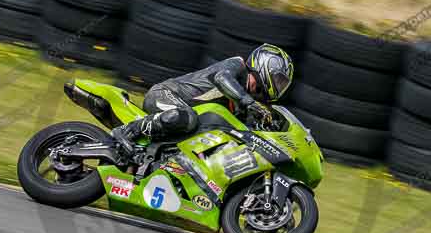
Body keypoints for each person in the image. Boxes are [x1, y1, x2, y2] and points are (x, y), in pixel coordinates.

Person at [112, 43, 295, 156]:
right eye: (279, 80)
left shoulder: (242, 105)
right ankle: (128, 130)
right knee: (188, 118)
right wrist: (250, 103)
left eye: (283, 84)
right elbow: (222, 78)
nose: (279, 86)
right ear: (266, 66)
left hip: (182, 114)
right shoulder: (237, 66)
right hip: (165, 94)